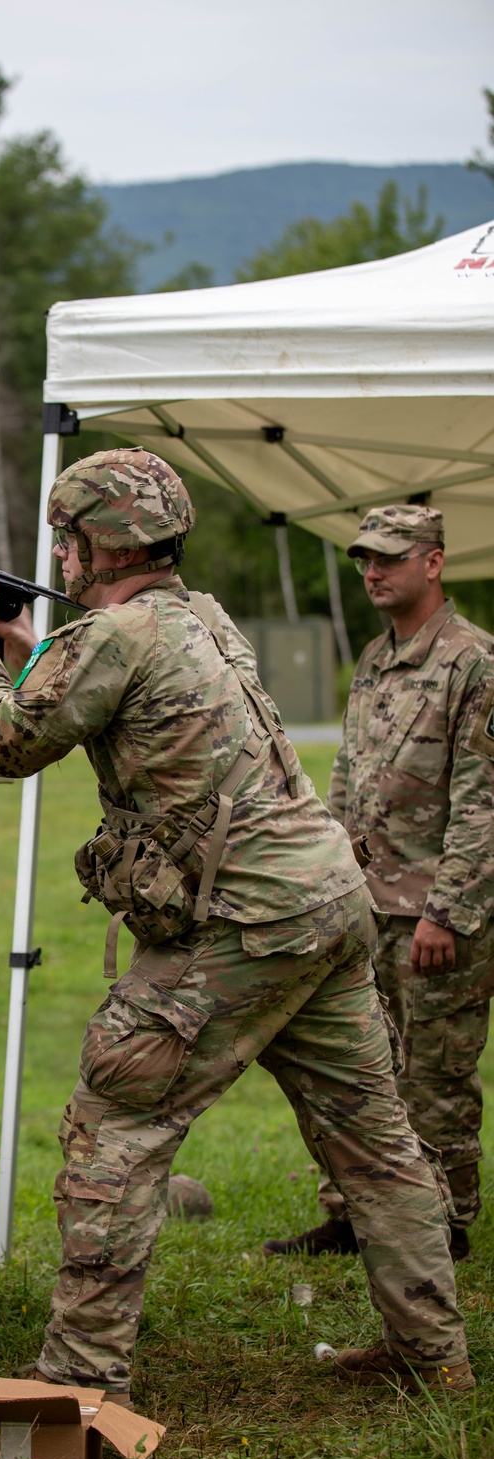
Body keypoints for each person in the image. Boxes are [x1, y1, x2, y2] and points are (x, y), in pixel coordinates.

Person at [0, 449, 472, 1398]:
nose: (59, 554)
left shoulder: (112, 633)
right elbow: (107, 693)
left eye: (67, 537)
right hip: (328, 903)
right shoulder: (198, 615)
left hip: (245, 925)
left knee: (115, 1123)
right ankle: (433, 1356)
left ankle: (78, 1385)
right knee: (376, 1146)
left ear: (96, 542)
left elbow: (7, 740)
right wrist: (29, 650)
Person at [263, 505, 494, 1264]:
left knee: (434, 1076)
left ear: (433, 562)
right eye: (365, 558)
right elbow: (349, 777)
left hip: (435, 915)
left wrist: (450, 913)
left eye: (391, 558)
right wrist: (329, 876)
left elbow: (483, 802)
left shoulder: (473, 662)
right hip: (367, 907)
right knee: (362, 1072)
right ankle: (353, 1216)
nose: (372, 571)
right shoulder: (373, 658)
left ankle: (446, 1227)